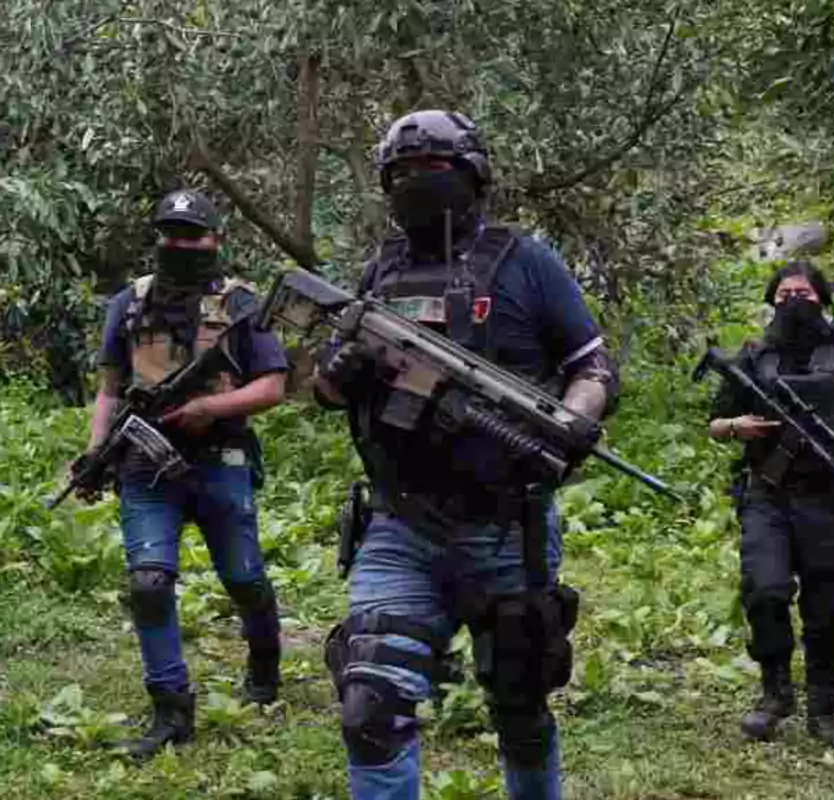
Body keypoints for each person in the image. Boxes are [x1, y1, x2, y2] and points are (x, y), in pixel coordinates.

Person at [315, 110, 617, 800]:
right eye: (403, 173)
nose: (419, 182)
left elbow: (593, 367)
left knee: (519, 704)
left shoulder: (525, 262)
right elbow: (327, 392)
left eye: (436, 169)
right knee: (370, 708)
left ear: (473, 176)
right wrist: (345, 364)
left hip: (508, 528)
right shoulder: (379, 270)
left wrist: (571, 422)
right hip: (399, 527)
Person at [86, 189, 288, 759]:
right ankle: (170, 709)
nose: (179, 246)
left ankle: (265, 668)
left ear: (215, 239)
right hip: (145, 467)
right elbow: (108, 391)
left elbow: (272, 386)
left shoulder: (242, 305)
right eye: (170, 235)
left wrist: (207, 409)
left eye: (192, 235)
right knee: (149, 585)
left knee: (243, 578)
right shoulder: (129, 303)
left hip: (220, 460)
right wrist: (93, 452)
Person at [708, 260, 834, 747]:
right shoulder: (753, 357)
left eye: (803, 294)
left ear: (822, 300)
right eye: (784, 294)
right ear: (771, 300)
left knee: (827, 609)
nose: (793, 302)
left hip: (830, 498)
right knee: (764, 591)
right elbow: (715, 422)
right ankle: (775, 693)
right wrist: (736, 427)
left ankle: (823, 710)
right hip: (766, 494)